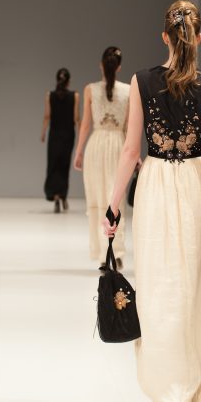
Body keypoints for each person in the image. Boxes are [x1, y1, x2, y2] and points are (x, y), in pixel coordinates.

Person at [102, 0, 201, 402]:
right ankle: (190, 396)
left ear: (164, 37)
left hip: (157, 186)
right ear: (199, 38)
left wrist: (113, 206)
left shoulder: (140, 81)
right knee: (196, 293)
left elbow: (130, 151)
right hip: (197, 188)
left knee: (162, 292)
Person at [74, 47, 130, 267]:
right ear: (119, 67)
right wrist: (134, 155)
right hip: (119, 146)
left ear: (101, 65)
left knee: (98, 201)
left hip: (96, 147)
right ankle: (116, 253)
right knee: (116, 200)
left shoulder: (90, 89)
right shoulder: (128, 90)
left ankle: (102, 254)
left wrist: (79, 151)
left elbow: (85, 124)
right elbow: (128, 127)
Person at [41, 68, 79, 213]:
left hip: (54, 135)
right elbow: (76, 118)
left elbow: (47, 116)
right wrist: (81, 134)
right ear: (69, 81)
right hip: (68, 135)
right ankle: (63, 196)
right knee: (64, 165)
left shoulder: (49, 95)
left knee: (53, 165)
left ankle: (55, 196)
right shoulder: (74, 96)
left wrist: (43, 133)